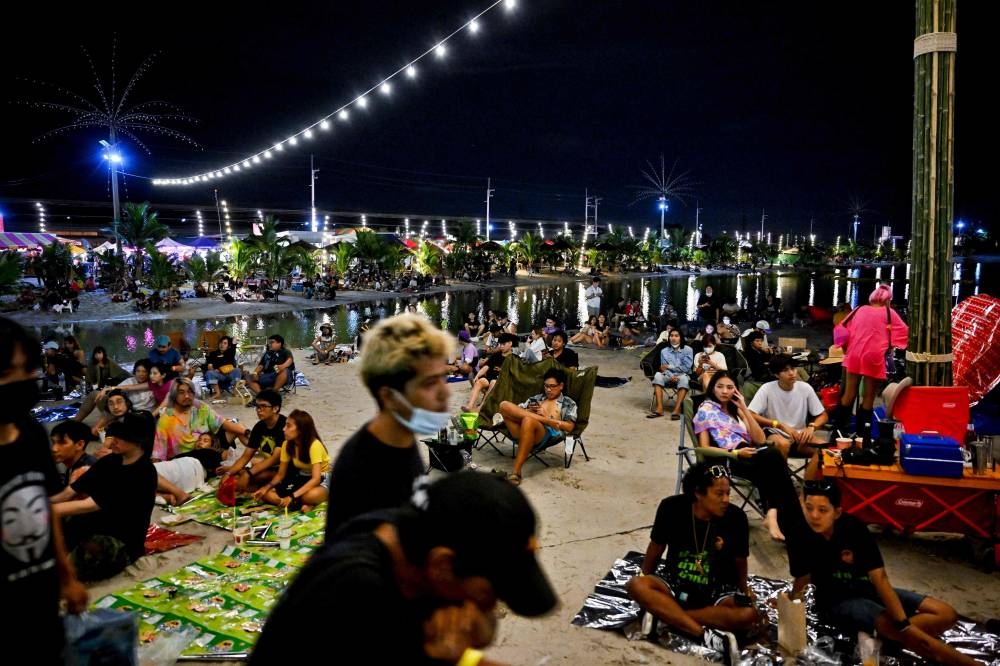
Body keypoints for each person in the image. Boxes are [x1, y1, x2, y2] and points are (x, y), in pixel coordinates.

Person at [251, 472, 557, 664]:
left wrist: (475, 630)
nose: (490, 605)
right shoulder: (357, 594)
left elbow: (482, 627)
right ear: (443, 565)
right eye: (491, 594)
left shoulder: (420, 532)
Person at [787, 481, 979, 666]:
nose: (814, 516)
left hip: (866, 588)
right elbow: (803, 578)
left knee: (946, 614)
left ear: (837, 512)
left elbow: (880, 578)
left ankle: (885, 639)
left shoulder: (854, 529)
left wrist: (904, 624)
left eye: (822, 510)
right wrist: (790, 606)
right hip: (836, 601)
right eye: (809, 507)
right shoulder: (798, 533)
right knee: (909, 635)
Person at [0, 317, 88, 663]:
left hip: (41, 600)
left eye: (27, 371)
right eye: (7, 372)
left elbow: (44, 508)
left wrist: (66, 578)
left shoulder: (32, 433)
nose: (21, 383)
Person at [324, 313, 453, 542]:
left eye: (444, 377)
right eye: (430, 383)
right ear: (390, 397)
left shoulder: (401, 440)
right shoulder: (363, 467)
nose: (446, 392)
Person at [626, 461, 760, 666]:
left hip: (715, 589)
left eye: (728, 493)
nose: (726, 500)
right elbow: (656, 547)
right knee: (636, 585)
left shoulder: (736, 518)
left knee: (749, 614)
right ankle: (701, 633)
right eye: (719, 494)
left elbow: (740, 561)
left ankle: (668, 617)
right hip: (675, 582)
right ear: (698, 493)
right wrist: (645, 578)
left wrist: (743, 590)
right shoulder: (671, 507)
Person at [693, 371, 803, 542]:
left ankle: (777, 517)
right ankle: (789, 522)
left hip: (753, 454)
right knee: (775, 463)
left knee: (773, 463)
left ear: (735, 390)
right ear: (712, 389)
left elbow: (759, 439)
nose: (724, 391)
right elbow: (703, 448)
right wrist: (735, 453)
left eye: (729, 387)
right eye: (720, 387)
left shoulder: (737, 410)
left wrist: (744, 408)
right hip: (731, 459)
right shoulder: (705, 410)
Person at [50, 411, 158, 581]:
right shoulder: (110, 461)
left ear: (138, 440)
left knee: (79, 561)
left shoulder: (143, 472)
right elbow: (71, 491)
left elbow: (89, 504)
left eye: (120, 437)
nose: (112, 441)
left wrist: (43, 511)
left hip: (120, 541)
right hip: (94, 526)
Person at [830, 284, 909, 447]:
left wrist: (846, 347)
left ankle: (837, 434)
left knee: (848, 394)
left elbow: (841, 328)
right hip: (874, 357)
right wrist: (891, 343)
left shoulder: (858, 309)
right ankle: (862, 437)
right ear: (887, 300)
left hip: (854, 354)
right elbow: (904, 332)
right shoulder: (889, 313)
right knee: (868, 399)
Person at [748, 355, 829, 482]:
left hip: (800, 435)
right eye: (785, 370)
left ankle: (809, 487)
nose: (791, 373)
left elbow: (823, 415)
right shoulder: (767, 389)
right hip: (774, 432)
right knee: (782, 444)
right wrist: (779, 424)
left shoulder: (805, 388)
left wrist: (812, 427)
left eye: (793, 368)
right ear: (776, 375)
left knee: (825, 449)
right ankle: (781, 486)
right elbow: (750, 414)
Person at [499, 366, 577, 486]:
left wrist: (546, 419)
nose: (548, 390)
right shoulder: (537, 398)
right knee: (504, 405)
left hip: (544, 434)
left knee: (529, 420)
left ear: (561, 386)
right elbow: (515, 410)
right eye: (546, 386)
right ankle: (542, 420)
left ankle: (516, 471)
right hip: (522, 431)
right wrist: (530, 411)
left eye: (552, 386)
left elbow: (570, 427)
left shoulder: (568, 403)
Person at [152, 377, 250, 461]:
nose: (187, 396)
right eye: (181, 392)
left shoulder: (199, 407)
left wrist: (247, 432)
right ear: (174, 395)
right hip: (188, 459)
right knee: (227, 457)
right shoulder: (166, 420)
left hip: (208, 446)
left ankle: (255, 448)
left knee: (237, 427)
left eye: (190, 392)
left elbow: (221, 422)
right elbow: (158, 454)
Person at [252, 409, 330, 512]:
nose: (284, 429)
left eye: (288, 426)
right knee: (266, 493)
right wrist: (266, 488)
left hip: (323, 477)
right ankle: (295, 504)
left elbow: (316, 479)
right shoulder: (287, 444)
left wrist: (292, 496)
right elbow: (280, 474)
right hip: (303, 476)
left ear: (300, 430)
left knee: (309, 496)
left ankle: (298, 502)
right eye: (285, 425)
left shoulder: (314, 445)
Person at [216, 388, 287, 488]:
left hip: (286, 469)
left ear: (275, 408)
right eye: (257, 406)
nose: (258, 410)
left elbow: (274, 459)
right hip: (269, 467)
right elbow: (246, 456)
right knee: (237, 476)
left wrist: (248, 474)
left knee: (251, 477)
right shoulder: (259, 427)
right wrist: (229, 473)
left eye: (263, 406)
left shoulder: (284, 427)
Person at [465, 332, 517, 413]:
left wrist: (502, 370)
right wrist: (478, 375)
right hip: (491, 377)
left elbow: (514, 373)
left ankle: (481, 407)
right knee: (480, 382)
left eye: (503, 344)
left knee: (493, 382)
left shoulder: (514, 358)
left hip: (502, 382)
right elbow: (487, 366)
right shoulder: (497, 355)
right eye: (500, 344)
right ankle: (470, 406)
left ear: (510, 343)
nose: (501, 346)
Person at [649, 328, 693, 420]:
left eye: (676, 336)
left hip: (682, 375)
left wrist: (670, 366)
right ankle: (659, 409)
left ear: (681, 337)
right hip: (668, 375)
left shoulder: (688, 350)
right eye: (671, 336)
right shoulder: (664, 351)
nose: (673, 338)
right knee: (657, 375)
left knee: (684, 379)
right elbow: (663, 368)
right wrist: (671, 375)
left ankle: (676, 410)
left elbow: (686, 368)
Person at [49, 420, 98, 493]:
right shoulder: (74, 465)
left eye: (62, 443)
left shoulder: (85, 471)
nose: (54, 449)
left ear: (79, 445)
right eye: (53, 442)